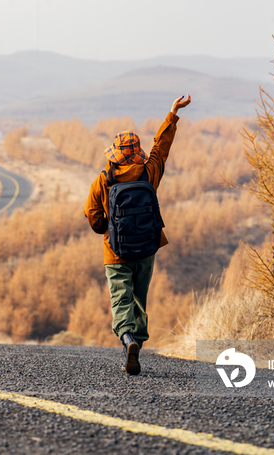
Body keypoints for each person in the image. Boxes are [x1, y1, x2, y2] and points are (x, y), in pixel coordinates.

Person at [84, 94, 191, 375]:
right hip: (146, 247)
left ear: (116, 153)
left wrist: (107, 230)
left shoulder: (104, 179)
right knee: (139, 300)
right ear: (137, 152)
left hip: (115, 251)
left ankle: (127, 338)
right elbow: (162, 147)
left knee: (121, 299)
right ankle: (137, 347)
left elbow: (93, 215)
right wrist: (173, 112)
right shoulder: (149, 171)